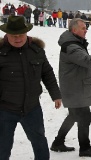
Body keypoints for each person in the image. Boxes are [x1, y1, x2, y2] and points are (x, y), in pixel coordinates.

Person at [0, 16, 62, 160]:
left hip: (32, 108)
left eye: (21, 35)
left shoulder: (36, 50)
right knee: (3, 146)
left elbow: (47, 73)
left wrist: (56, 95)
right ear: (7, 35)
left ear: (26, 33)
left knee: (39, 141)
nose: (17, 39)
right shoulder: (1, 53)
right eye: (13, 36)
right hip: (5, 110)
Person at [51, 18, 91, 157]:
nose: (86, 30)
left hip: (74, 87)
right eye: (83, 28)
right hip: (74, 89)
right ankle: (85, 148)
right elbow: (88, 61)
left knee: (74, 116)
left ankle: (58, 143)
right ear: (74, 30)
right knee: (84, 116)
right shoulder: (72, 47)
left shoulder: (74, 43)